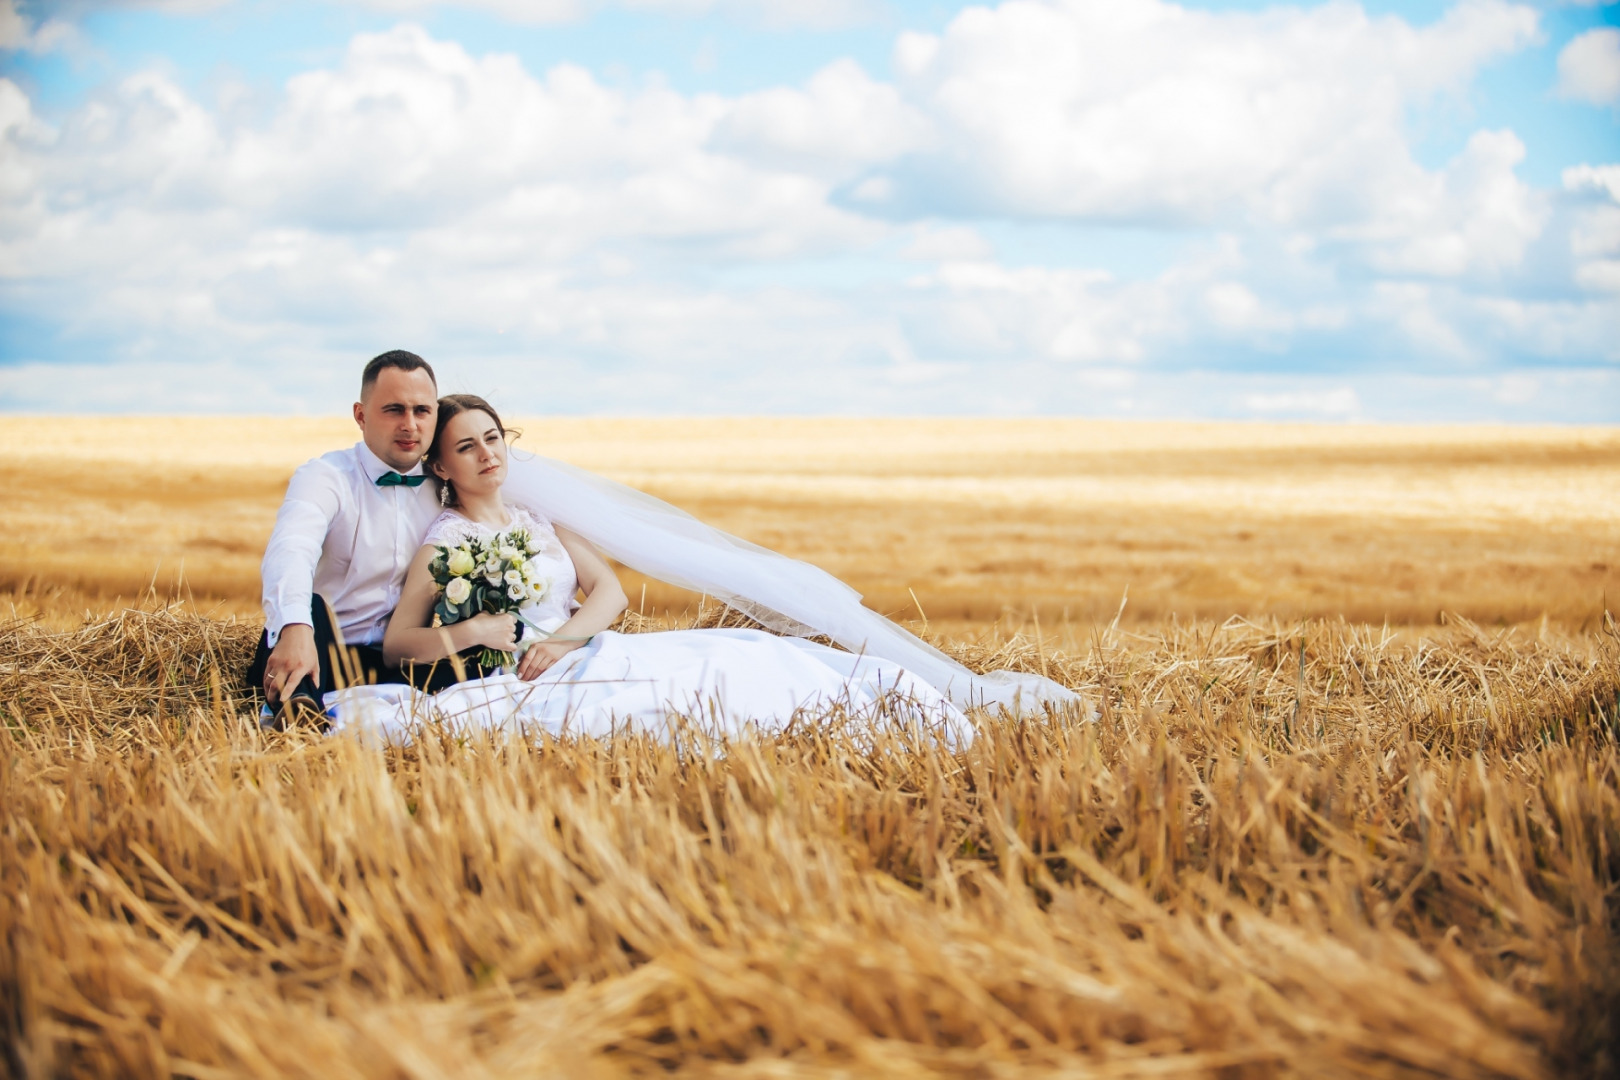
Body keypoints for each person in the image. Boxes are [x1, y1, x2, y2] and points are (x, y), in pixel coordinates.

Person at [326, 395, 969, 743]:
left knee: (744, 656)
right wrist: (473, 634)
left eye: (493, 438)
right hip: (523, 677)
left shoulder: (538, 514)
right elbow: (400, 642)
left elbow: (608, 591)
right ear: (441, 467)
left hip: (581, 650)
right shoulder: (444, 545)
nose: (487, 454)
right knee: (687, 698)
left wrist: (563, 639)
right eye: (466, 446)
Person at [246, 350, 453, 725]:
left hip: (397, 660)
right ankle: (298, 715)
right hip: (318, 652)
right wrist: (294, 628)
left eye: (421, 410)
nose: (410, 424)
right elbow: (292, 549)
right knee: (311, 606)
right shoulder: (325, 476)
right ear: (360, 415)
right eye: (394, 410)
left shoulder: (448, 488)